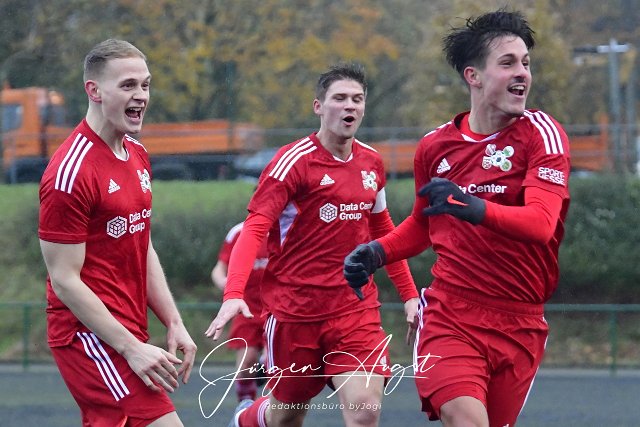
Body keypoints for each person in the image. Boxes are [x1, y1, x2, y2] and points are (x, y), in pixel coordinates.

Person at [344, 9, 571, 427]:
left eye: (526, 63)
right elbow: (424, 225)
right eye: (508, 63)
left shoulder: (542, 134)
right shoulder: (435, 146)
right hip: (451, 314)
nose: (522, 73)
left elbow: (541, 224)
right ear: (474, 76)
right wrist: (376, 252)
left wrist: (471, 205)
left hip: (521, 321)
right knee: (466, 419)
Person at [205, 63, 419, 427]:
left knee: (365, 410)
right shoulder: (293, 162)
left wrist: (410, 295)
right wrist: (234, 292)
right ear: (318, 106)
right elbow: (254, 229)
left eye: (357, 99)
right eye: (340, 98)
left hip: (354, 308)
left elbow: (383, 231)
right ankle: (245, 419)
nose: (349, 106)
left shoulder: (371, 162)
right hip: (295, 312)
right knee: (286, 416)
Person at [38, 39, 197, 427]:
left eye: (145, 85)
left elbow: (141, 245)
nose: (141, 95)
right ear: (94, 91)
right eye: (128, 85)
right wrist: (130, 347)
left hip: (126, 332)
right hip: (89, 337)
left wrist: (173, 321)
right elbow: (64, 280)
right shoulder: (71, 172)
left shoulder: (137, 154)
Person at [211, 220, 269, 402]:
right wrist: (225, 284)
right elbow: (219, 269)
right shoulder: (239, 232)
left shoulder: (286, 228)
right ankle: (244, 406)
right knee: (246, 364)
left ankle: (274, 410)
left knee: (272, 362)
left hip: (276, 308)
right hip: (246, 309)